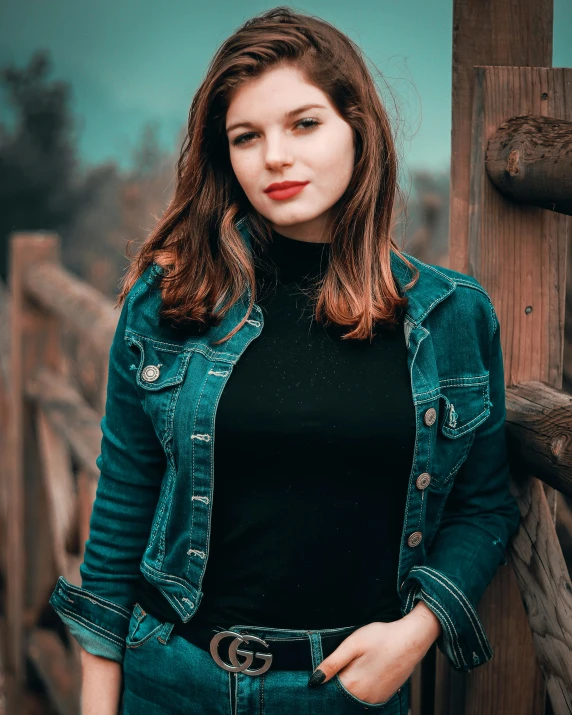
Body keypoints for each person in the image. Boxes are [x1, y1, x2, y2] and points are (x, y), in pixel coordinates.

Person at [49, 6, 521, 714]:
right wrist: (95, 702)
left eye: (304, 124)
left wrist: (418, 630)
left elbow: (486, 504)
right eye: (247, 137)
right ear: (225, 156)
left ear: (358, 127)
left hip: (343, 689)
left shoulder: (451, 316)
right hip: (173, 677)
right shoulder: (171, 299)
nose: (274, 156)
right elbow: (121, 505)